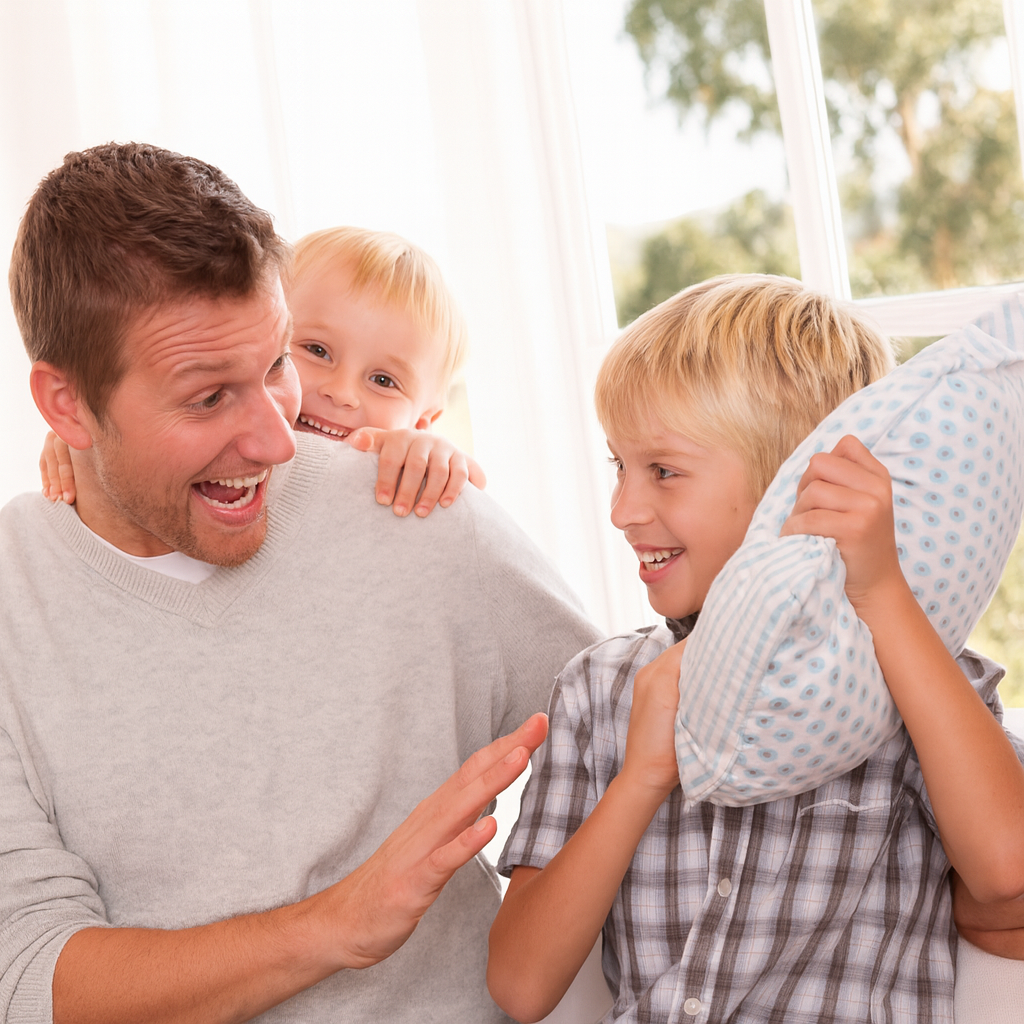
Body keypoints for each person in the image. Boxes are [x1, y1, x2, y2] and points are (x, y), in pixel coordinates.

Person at [0, 142, 601, 1023]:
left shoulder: (413, 508)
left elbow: (645, 742)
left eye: (278, 364)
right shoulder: (13, 603)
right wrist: (338, 926)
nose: (280, 441)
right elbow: (28, 977)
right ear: (65, 405)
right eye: (208, 397)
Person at [488, 275, 1024, 1023]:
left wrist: (882, 592)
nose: (622, 510)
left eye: (663, 471)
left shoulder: (916, 680)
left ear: (791, 485)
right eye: (619, 467)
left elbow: (1007, 873)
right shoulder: (598, 688)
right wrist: (642, 776)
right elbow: (520, 986)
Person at [40, 223, 484, 519]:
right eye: (317, 351)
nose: (342, 392)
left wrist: (435, 465)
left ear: (423, 421)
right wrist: (92, 435)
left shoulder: (403, 480)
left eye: (383, 381)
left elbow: (468, 525)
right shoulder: (229, 466)